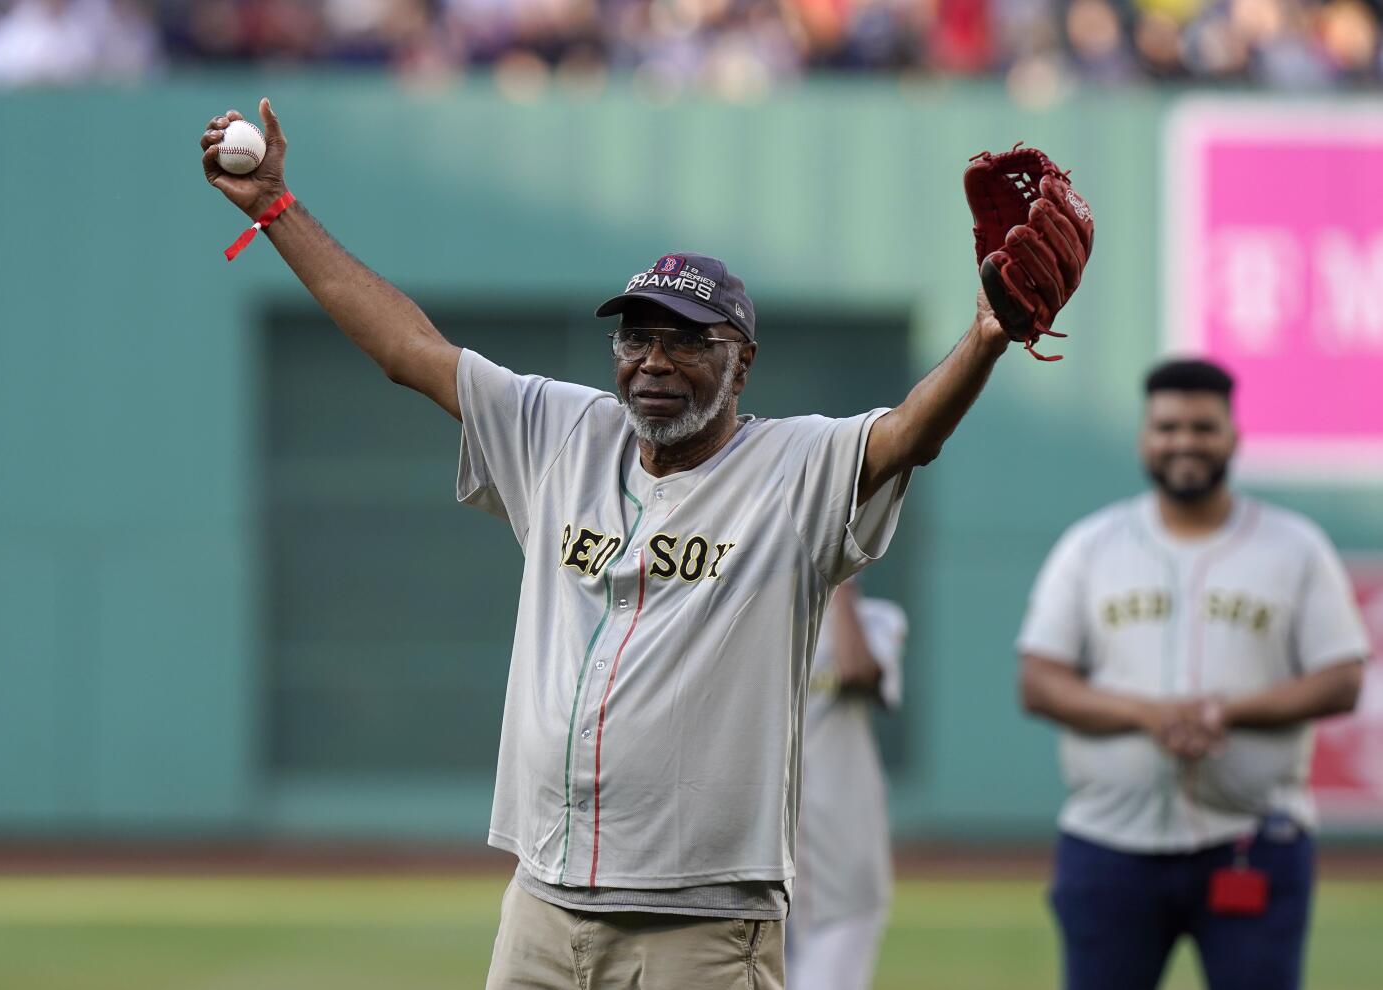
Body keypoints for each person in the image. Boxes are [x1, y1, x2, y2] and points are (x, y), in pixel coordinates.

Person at [202, 99, 1024, 990]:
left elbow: (907, 435)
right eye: (637, 336)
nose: (655, 361)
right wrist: (276, 209)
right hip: (544, 907)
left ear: (741, 362)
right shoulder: (560, 431)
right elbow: (407, 348)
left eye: (687, 341)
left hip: (703, 924)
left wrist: (986, 338)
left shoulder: (794, 462)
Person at [1017, 358, 1369, 990]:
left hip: (1255, 839)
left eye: (1204, 427)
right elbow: (1039, 680)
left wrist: (1226, 713)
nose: (1185, 441)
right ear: (1144, 439)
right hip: (1108, 844)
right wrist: (1148, 714)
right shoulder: (1091, 546)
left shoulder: (1294, 545)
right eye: (1169, 426)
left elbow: (1342, 677)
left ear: (1234, 437)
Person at [788, 579, 906, 990]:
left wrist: (841, 582)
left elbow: (857, 671)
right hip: (762, 868)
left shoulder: (877, 617)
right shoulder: (757, 618)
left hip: (845, 863)